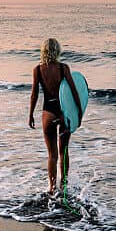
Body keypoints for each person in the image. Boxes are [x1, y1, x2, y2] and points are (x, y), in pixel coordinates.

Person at [28, 38, 82, 194]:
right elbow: (73, 90)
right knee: (63, 150)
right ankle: (63, 186)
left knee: (52, 154)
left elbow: (34, 94)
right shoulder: (63, 68)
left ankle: (52, 188)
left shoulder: (37, 69)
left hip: (48, 113)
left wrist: (31, 114)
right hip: (63, 112)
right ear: (58, 50)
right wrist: (78, 111)